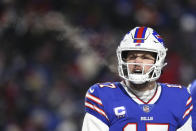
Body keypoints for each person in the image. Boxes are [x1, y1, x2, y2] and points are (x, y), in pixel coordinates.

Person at [82, 27, 193, 131]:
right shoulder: (103, 96)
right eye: (132, 57)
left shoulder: (179, 97)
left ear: (159, 61)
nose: (137, 62)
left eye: (145, 57)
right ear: (123, 60)